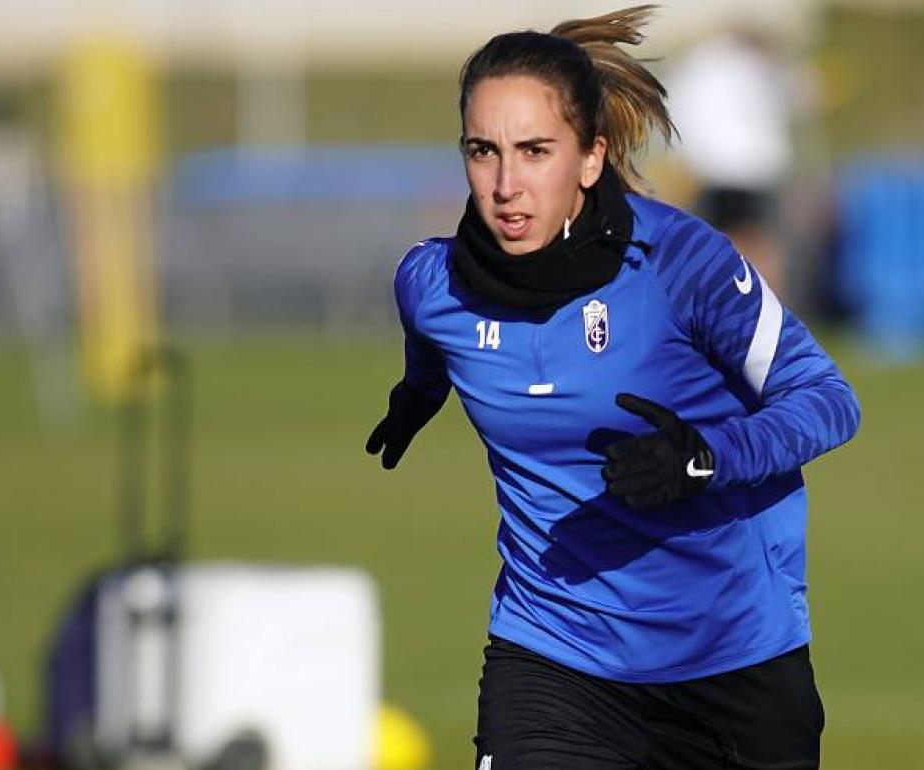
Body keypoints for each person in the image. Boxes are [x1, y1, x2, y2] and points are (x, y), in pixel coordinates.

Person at [365, 6, 860, 769]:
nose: (505, 185)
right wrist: (419, 390)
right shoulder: (431, 283)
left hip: (732, 662)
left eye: (535, 151)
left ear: (592, 158)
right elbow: (433, 337)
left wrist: (707, 457)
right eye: (482, 151)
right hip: (552, 655)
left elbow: (827, 398)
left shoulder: (680, 262)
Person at [664, 23, 800, 293]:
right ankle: (761, 304)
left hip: (716, 168)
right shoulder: (754, 65)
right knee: (756, 242)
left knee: (725, 244)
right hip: (752, 167)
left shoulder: (699, 63)